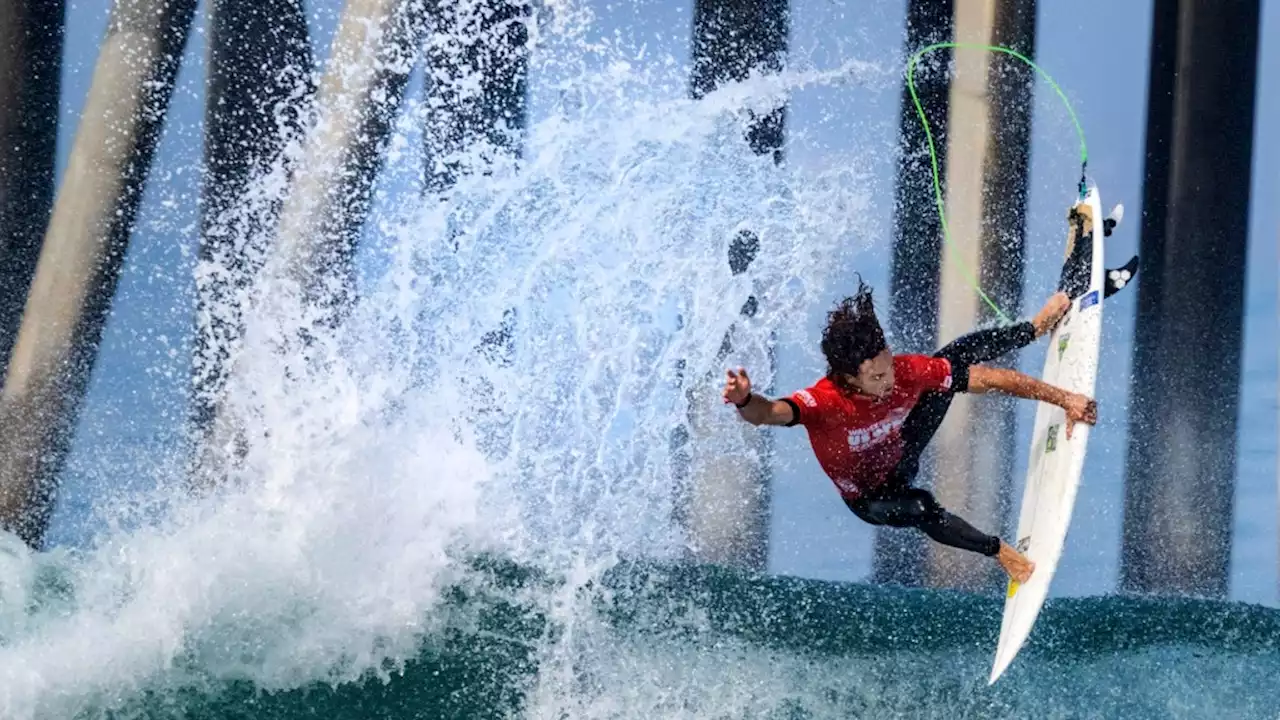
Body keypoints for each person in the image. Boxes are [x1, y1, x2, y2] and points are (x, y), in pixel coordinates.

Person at [721, 279, 1097, 584]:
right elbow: (768, 412)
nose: (889, 381)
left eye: (888, 367)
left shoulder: (905, 371)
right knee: (920, 507)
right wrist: (744, 399)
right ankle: (1000, 553)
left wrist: (1064, 399)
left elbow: (988, 378)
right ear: (849, 377)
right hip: (871, 497)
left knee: (953, 356)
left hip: (902, 451)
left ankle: (1034, 327)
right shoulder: (825, 402)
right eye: (877, 377)